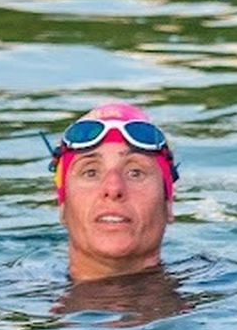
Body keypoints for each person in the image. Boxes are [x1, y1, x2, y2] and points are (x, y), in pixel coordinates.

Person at [45, 102, 179, 283]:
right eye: (91, 172)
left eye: (135, 173)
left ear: (168, 202)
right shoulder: (11, 291)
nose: (113, 189)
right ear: (62, 204)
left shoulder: (216, 287)